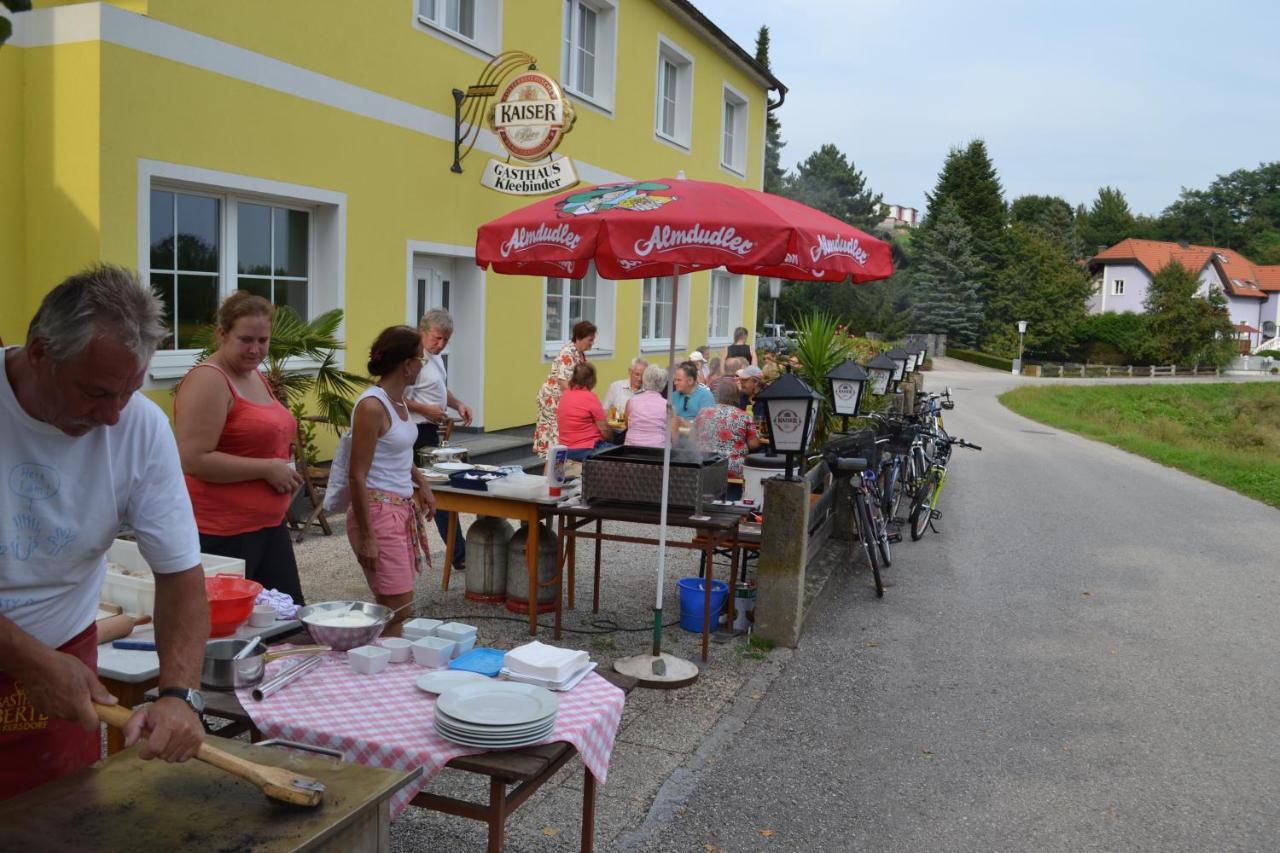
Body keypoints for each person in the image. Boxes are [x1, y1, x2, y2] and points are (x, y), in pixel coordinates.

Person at [0, 265, 208, 801]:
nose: (114, 417)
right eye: (96, 394)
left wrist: (180, 694)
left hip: (65, 665)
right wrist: (29, 660)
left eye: (129, 392)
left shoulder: (140, 426)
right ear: (41, 351)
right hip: (45, 662)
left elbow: (181, 572)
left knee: (55, 819)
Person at [174, 292, 306, 605]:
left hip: (268, 527)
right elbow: (192, 459)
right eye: (245, 339)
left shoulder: (254, 374)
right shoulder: (209, 380)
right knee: (233, 634)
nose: (255, 349)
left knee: (287, 624)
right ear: (222, 334)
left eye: (263, 340)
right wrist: (267, 469)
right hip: (224, 535)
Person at [347, 326, 436, 638]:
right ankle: (371, 666)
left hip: (397, 509)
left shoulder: (398, 402)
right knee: (397, 608)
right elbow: (356, 474)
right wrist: (368, 536)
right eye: (420, 360)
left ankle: (377, 665)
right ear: (407, 365)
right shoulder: (372, 406)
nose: (422, 366)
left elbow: (395, 451)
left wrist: (421, 481)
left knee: (397, 608)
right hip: (377, 512)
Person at [404, 308, 473, 575]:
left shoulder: (434, 357)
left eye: (446, 339)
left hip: (430, 431)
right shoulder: (412, 359)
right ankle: (458, 553)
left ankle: (459, 553)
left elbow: (440, 390)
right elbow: (396, 397)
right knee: (430, 492)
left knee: (440, 491)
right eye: (436, 338)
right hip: (415, 432)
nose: (441, 344)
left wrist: (457, 404)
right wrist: (425, 410)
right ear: (422, 331)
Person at [533, 320, 596, 457]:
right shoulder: (568, 353)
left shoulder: (580, 354)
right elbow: (564, 382)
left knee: (559, 444)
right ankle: (549, 476)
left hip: (562, 400)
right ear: (579, 337)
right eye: (590, 339)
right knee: (554, 444)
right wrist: (578, 403)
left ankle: (553, 474)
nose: (592, 343)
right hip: (553, 400)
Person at [694, 379, 761, 500]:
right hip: (732, 467)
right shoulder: (744, 416)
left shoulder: (703, 413)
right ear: (736, 395)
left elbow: (692, 439)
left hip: (707, 464)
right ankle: (732, 500)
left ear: (717, 395)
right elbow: (754, 444)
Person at [557, 363, 613, 461]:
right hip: (587, 448)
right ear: (591, 380)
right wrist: (612, 437)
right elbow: (605, 431)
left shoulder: (565, 395)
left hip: (566, 448)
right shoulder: (590, 397)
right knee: (621, 453)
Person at [624, 364, 677, 448]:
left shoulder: (631, 402)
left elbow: (628, 425)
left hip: (631, 450)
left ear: (644, 380)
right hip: (657, 452)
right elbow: (674, 438)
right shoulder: (668, 406)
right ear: (663, 384)